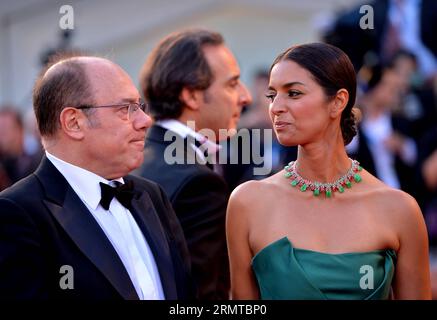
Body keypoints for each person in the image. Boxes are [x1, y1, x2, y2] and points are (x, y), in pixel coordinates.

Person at [226, 43, 431, 300]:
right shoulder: (248, 203)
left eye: (294, 93)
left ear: (338, 102)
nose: (276, 107)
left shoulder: (399, 209)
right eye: (271, 95)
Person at [0, 54, 194, 300]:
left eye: (140, 106)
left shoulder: (152, 196)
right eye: (126, 109)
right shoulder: (17, 214)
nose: (145, 120)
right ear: (74, 122)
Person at [138, 29, 252, 299]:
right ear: (191, 95)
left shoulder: (137, 155)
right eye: (232, 84)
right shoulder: (197, 182)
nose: (245, 97)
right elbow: (202, 295)